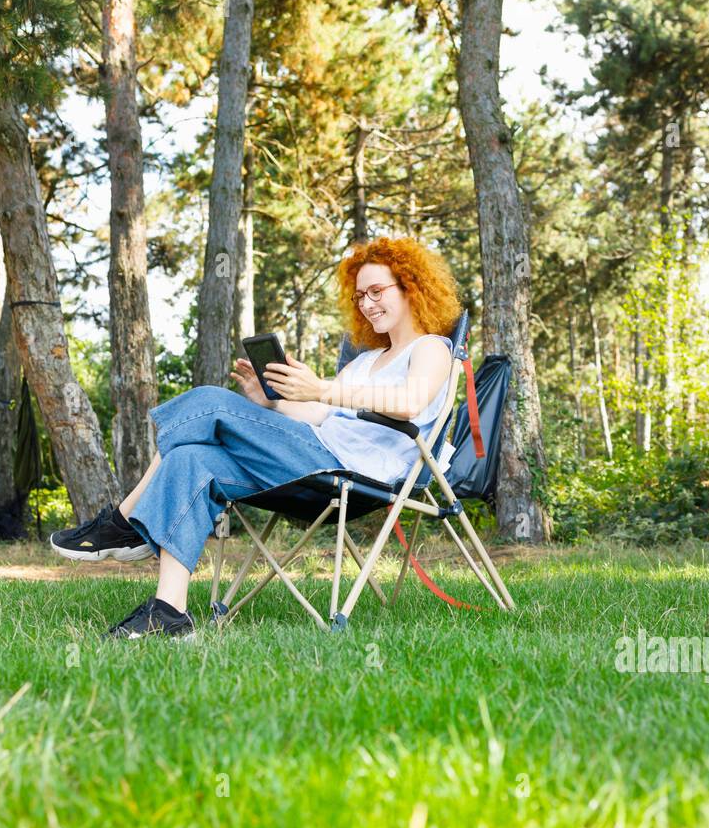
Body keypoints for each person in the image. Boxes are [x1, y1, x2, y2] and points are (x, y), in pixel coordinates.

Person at [49, 236, 462, 639]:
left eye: (377, 291)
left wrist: (320, 387)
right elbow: (322, 414)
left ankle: (122, 522)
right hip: (310, 455)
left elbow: (410, 402)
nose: (368, 304)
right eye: (360, 297)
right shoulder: (367, 360)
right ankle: (169, 612)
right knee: (191, 457)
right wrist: (268, 404)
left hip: (352, 473)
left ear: (410, 287)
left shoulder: (431, 349)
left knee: (209, 401)